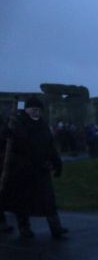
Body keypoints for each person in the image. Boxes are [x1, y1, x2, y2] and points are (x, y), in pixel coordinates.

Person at [0, 97, 68, 239]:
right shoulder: (16, 123)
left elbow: (49, 145)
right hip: (21, 169)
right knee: (22, 200)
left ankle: (56, 228)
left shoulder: (42, 125)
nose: (36, 112)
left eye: (39, 110)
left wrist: (57, 162)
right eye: (34, 109)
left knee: (48, 200)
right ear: (27, 109)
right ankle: (24, 228)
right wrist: (5, 134)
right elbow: (6, 143)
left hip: (40, 168)